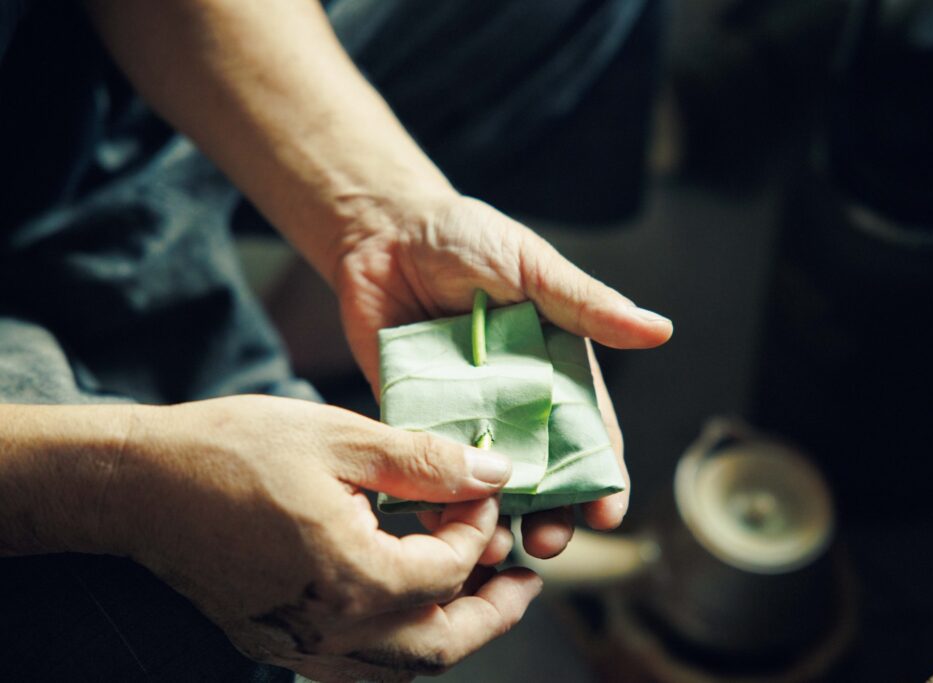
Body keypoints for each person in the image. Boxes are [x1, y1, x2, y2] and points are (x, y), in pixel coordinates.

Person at [0, 0, 672, 680]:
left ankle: (284, 357)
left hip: (55, 104)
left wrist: (379, 217)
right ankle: (217, 379)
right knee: (189, 633)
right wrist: (116, 481)